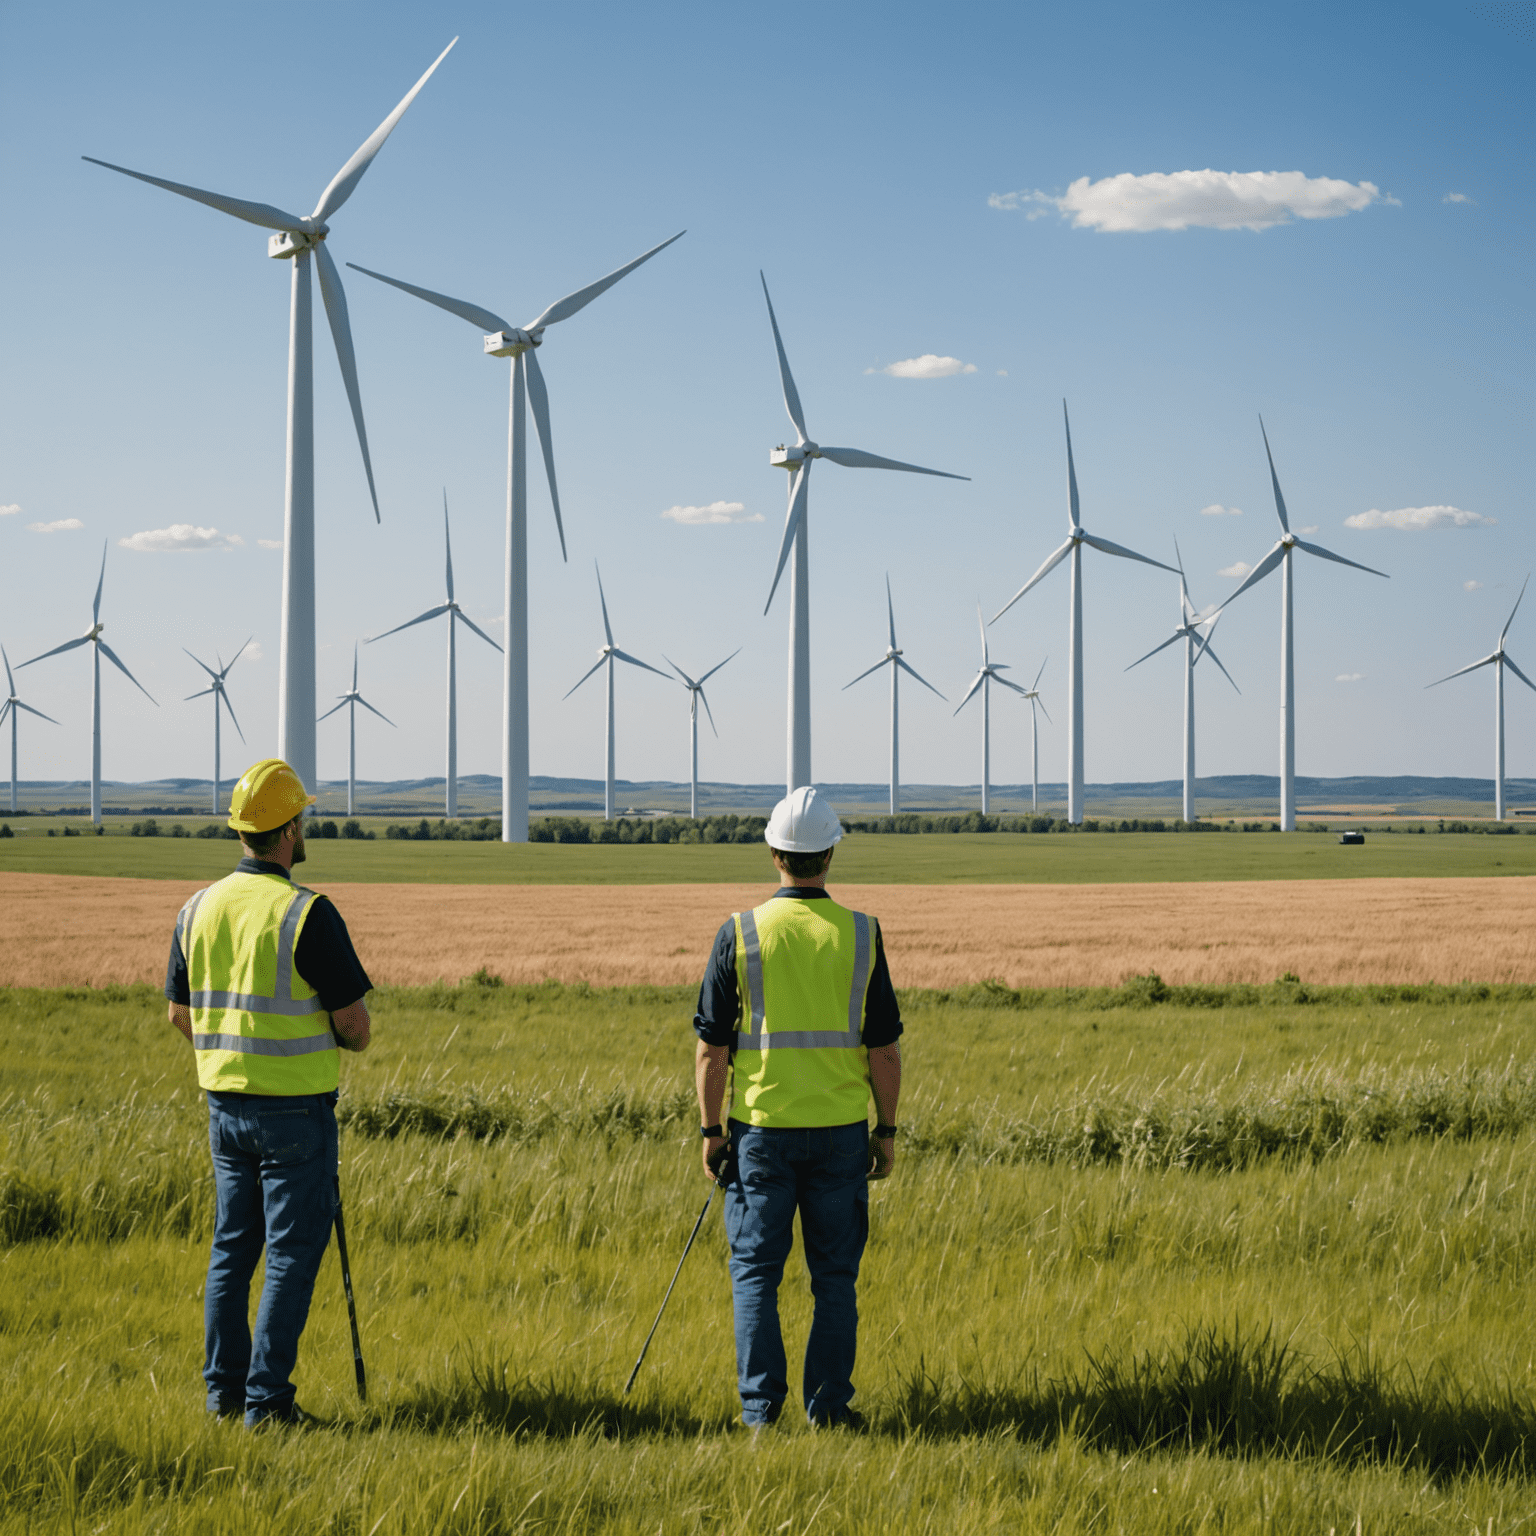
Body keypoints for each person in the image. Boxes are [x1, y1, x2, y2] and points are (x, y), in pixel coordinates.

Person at [164, 758, 373, 1427]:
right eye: (302, 816)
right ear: (288, 830)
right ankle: (268, 1404)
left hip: (224, 1108)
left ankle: (223, 1396)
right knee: (290, 1253)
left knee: (232, 1250)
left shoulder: (196, 909)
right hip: (295, 1114)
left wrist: (233, 1051)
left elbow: (179, 1014)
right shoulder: (306, 913)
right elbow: (355, 1027)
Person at [692, 786, 903, 1432]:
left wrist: (709, 1132)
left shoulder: (741, 934)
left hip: (761, 1133)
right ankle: (830, 1410)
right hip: (841, 1135)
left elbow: (711, 1050)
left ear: (773, 851)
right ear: (830, 853)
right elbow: (885, 1051)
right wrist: (886, 1131)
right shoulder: (861, 935)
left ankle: (759, 1413)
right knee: (834, 1277)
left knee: (755, 1272)